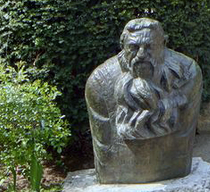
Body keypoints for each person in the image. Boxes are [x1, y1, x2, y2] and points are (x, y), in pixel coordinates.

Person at [86, 18, 202, 184]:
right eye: (133, 47)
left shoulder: (188, 73)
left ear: (163, 44)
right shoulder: (99, 83)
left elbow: (185, 136)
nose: (141, 55)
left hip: (175, 167)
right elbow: (104, 149)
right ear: (122, 47)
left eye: (149, 47)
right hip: (117, 174)